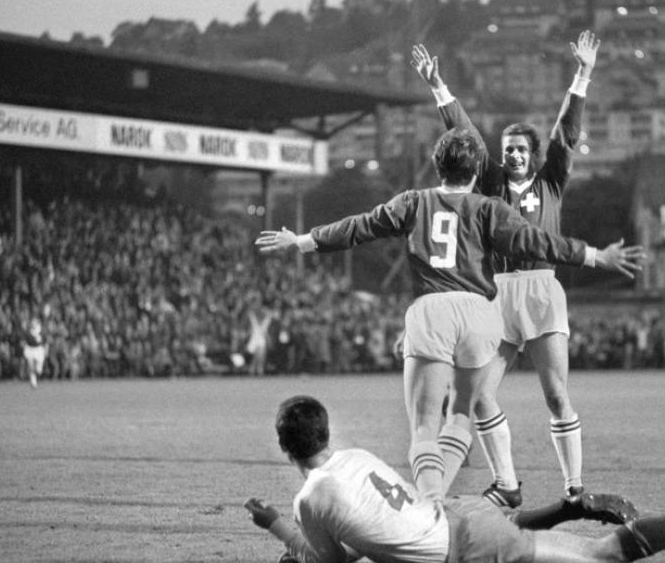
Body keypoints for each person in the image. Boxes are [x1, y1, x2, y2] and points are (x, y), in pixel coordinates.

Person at [255, 127, 643, 505]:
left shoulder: (413, 201)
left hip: (432, 309)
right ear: (476, 174)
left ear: (437, 167)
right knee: (462, 413)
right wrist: (594, 255)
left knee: (425, 425)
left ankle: (430, 504)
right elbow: (538, 241)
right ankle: (477, 491)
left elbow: (361, 227)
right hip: (480, 316)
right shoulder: (490, 207)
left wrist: (303, 241)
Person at [411, 31, 603, 508]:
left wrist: (583, 74)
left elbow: (566, 129)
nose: (514, 154)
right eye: (508, 148)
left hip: (540, 291)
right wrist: (439, 86)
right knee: (477, 397)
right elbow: (466, 131)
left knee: (556, 394)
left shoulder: (552, 180)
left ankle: (575, 488)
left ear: (533, 155)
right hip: (496, 296)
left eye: (521, 149)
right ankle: (508, 484)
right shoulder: (492, 182)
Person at [244, 394, 665, 563]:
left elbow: (332, 560)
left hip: (463, 544)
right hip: (455, 514)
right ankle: (570, 508)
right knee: (517, 528)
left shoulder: (311, 498)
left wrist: (277, 527)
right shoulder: (355, 456)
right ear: (326, 431)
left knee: (601, 555)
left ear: (284, 448)